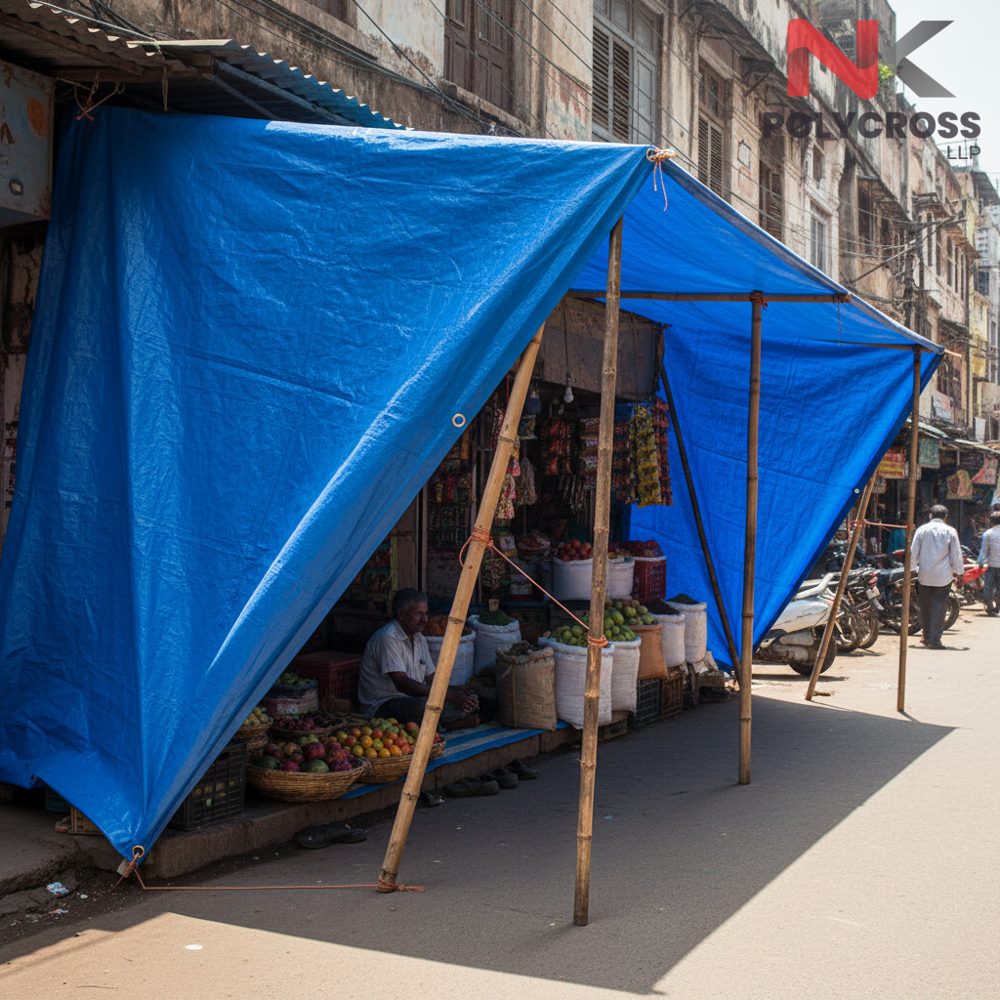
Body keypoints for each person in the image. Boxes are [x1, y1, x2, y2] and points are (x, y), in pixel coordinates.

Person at [358, 588, 479, 729]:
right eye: (418, 614)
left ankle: (444, 724)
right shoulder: (387, 637)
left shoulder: (419, 638)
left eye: (426, 614)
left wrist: (457, 693)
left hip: (411, 700)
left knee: (469, 699)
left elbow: (431, 678)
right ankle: (447, 726)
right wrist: (449, 696)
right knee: (424, 707)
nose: (425, 620)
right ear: (401, 614)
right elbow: (401, 683)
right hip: (383, 706)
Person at [910, 505, 964, 649]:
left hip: (924, 576)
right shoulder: (950, 531)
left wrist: (910, 571)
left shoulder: (921, 530)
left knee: (925, 608)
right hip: (943, 577)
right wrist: (960, 573)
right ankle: (934, 639)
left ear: (930, 516)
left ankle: (926, 635)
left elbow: (913, 552)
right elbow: (956, 555)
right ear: (945, 517)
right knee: (939, 608)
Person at [977, 509, 1000, 617]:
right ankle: (997, 608)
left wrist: (980, 563)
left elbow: (984, 551)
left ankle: (990, 609)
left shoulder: (988, 534)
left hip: (991, 566)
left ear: (991, 522)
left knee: (989, 588)